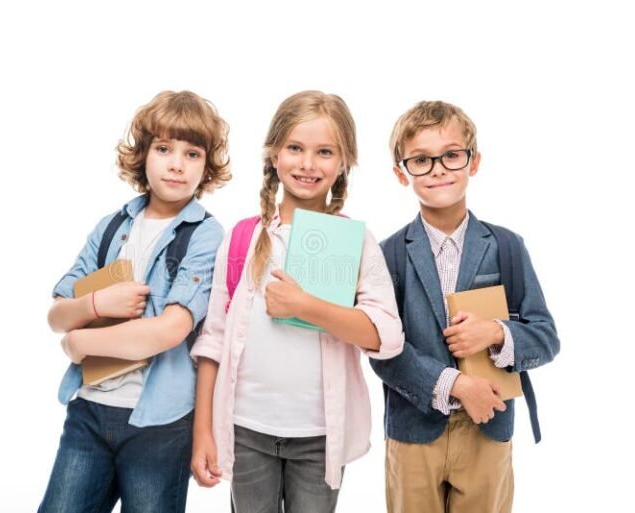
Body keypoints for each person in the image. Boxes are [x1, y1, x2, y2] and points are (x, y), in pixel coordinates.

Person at [190, 90, 404, 513]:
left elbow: (387, 337)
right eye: (295, 148)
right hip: (245, 428)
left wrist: (307, 306)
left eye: (324, 152)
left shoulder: (354, 242)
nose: (307, 164)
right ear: (273, 155)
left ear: (343, 163)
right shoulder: (242, 238)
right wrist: (203, 432)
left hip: (320, 437)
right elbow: (212, 339)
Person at [38, 90, 231, 513]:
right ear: (143, 154)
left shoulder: (205, 236)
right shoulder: (111, 226)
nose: (177, 163)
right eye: (164, 149)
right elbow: (57, 314)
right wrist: (95, 305)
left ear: (206, 165)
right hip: (88, 411)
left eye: (192, 153)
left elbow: (169, 330)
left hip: (160, 423)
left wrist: (81, 343)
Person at [371, 100, 560, 513]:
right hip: (413, 432)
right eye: (421, 159)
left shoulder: (507, 246)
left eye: (451, 155)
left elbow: (545, 337)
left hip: (488, 430)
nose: (438, 168)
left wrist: (496, 332)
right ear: (401, 173)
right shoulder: (387, 255)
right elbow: (383, 349)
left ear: (473, 163)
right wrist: (454, 384)